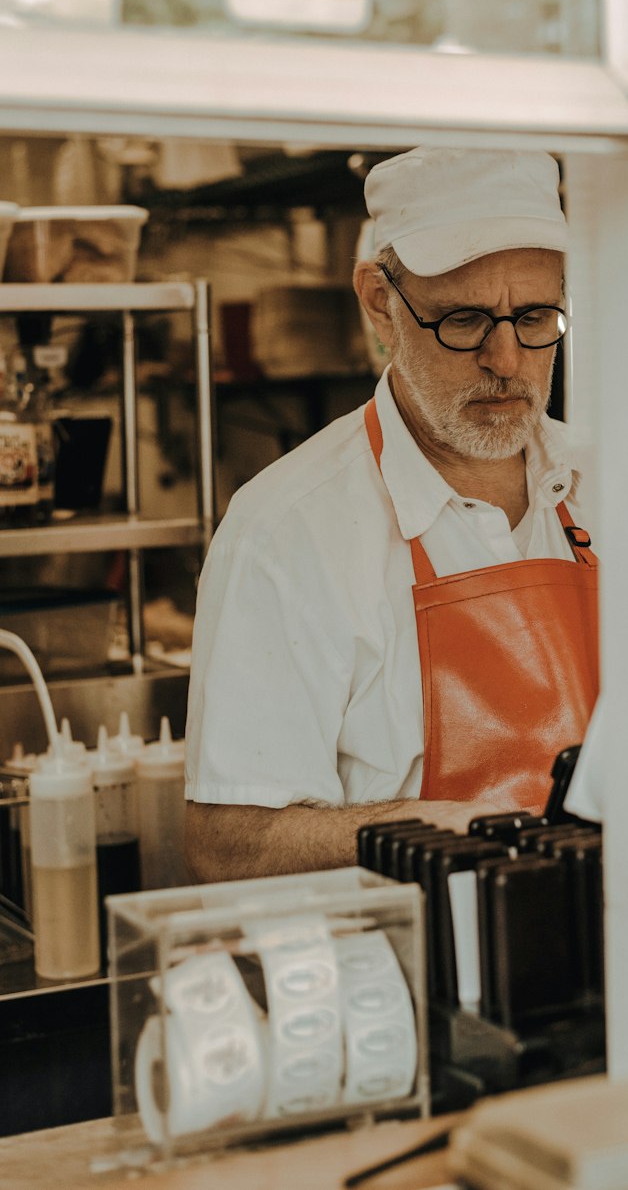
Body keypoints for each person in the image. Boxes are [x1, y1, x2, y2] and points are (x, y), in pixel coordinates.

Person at [184, 147, 599, 881]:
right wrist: (432, 832)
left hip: (627, 957)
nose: (507, 358)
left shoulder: (623, 485)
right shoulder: (286, 532)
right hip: (409, 976)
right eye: (465, 320)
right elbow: (230, 845)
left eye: (535, 315)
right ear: (380, 301)